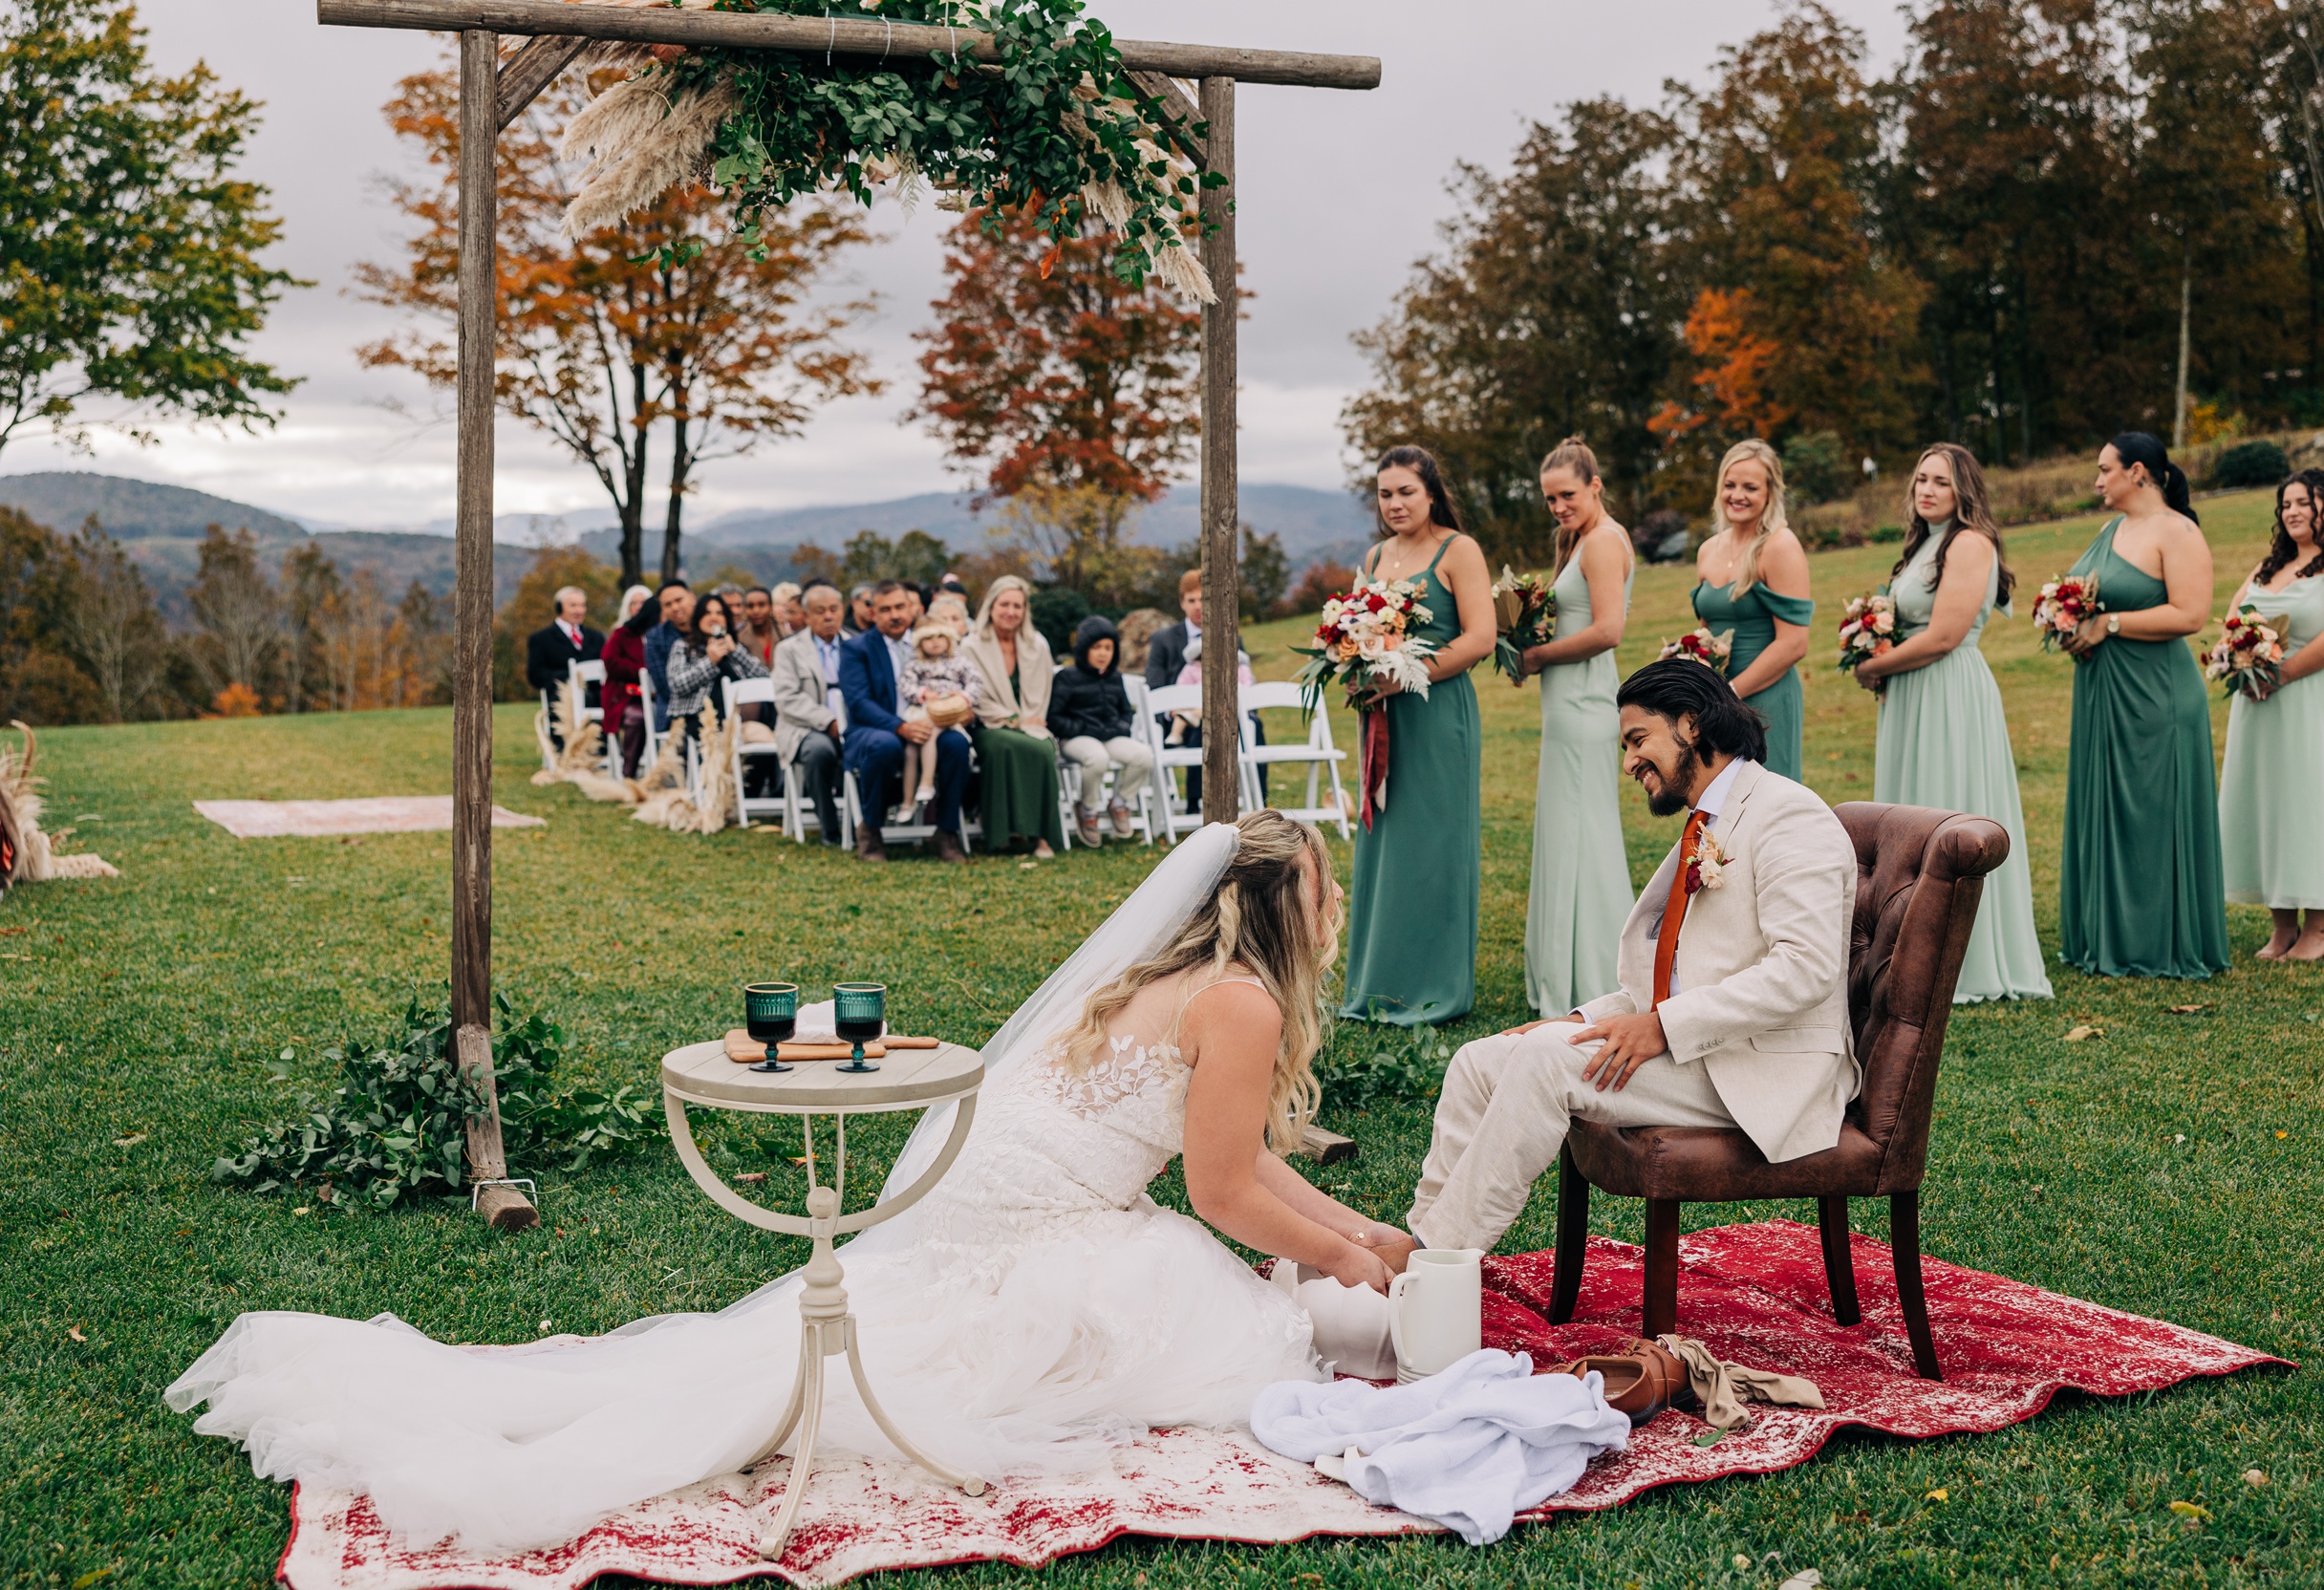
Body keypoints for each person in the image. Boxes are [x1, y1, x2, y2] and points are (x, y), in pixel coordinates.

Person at [169, 815, 1410, 1554]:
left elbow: (1242, 1166)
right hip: (1041, 1224)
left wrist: (1362, 1225)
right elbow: (1222, 1193)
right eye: (1325, 885)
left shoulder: (1160, 978)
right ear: (1282, 905)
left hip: (983, 1202)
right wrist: (1356, 1261)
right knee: (1214, 1331)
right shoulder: (1240, 1002)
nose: (1338, 900)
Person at [1401, 660, 1857, 1256]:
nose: (1627, 763)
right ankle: (1421, 1238)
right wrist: (1579, 1022)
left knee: (1543, 1063)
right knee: (1479, 1060)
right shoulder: (1713, 818)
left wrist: (1663, 1027)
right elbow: (1677, 972)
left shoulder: (1788, 816)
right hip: (1710, 1048)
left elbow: (1806, 969)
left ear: (1691, 725)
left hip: (1769, 1070)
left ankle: (1433, 1266)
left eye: (1638, 740)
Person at [1851, 444, 2052, 1001]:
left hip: (1948, 689)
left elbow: (1943, 636)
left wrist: (1872, 666)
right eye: (1920, 479)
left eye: (1941, 480)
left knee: (1946, 803)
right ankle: (1906, 950)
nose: (1927, 489)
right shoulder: (1923, 545)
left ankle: (1967, 958)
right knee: (1911, 810)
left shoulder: (1969, 542)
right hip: (1913, 691)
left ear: (1965, 490)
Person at [2057, 432, 2228, 979]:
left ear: (2137, 472)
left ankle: (2159, 940)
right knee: (2109, 806)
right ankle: (2106, 935)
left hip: (2157, 694)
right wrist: (2066, 622)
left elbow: (2191, 615)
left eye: (2104, 470)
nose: (2097, 480)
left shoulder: (2177, 531)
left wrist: (2109, 623)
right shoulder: (2112, 529)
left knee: (2153, 811)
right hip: (2103, 693)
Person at [1339, 444, 1494, 1026]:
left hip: (1436, 713)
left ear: (1431, 492)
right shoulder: (1377, 554)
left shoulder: (1459, 550)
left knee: (1434, 846)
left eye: (1407, 491)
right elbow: (1359, 633)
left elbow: (1479, 638)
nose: (1396, 503)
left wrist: (1402, 680)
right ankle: (1380, 981)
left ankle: (1435, 987)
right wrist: (1354, 670)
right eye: (1385, 494)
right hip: (1383, 718)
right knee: (1387, 848)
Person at [2216, 468, 2324, 960]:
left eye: (2304, 502)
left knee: (2312, 802)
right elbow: (2234, 620)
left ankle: (2318, 928)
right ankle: (2281, 924)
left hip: (2317, 703)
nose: (2292, 510)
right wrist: (2239, 658)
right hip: (2261, 708)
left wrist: (2284, 674)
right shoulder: (2269, 567)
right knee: (2270, 804)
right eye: (2286, 503)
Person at [1517, 437, 1637, 1019]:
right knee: (1568, 835)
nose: (1557, 506)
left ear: (1594, 485)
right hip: (1566, 708)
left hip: (1586, 706)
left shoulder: (1603, 544)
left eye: (1566, 495)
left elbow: (1609, 630)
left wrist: (1539, 657)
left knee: (1585, 837)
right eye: (1548, 499)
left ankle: (1592, 973)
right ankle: (1563, 970)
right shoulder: (1583, 541)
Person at [1689, 439, 1814, 783]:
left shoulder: (1780, 546)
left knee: (1765, 803)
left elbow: (1794, 644)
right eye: (1730, 485)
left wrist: (1728, 694)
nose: (1737, 495)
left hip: (1766, 699)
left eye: (1750, 487)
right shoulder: (1708, 550)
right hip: (1716, 702)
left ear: (1770, 493)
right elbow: (1705, 635)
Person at [841, 580, 968, 863]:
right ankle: (871, 831)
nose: (895, 615)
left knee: (957, 744)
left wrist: (958, 708)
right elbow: (859, 703)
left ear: (912, 608)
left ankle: (946, 832)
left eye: (900, 607)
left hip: (931, 725)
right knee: (884, 745)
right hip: (875, 729)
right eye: (885, 609)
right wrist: (901, 727)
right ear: (873, 613)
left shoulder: (930, 641)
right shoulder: (856, 648)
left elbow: (956, 680)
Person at [961, 574, 1067, 858]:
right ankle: (1000, 834)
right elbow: (975, 697)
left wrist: (1029, 720)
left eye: (1017, 606)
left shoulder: (1037, 644)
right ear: (991, 606)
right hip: (988, 725)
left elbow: (1044, 689)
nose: (1011, 612)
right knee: (1002, 746)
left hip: (1033, 721)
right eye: (1004, 604)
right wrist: (1014, 720)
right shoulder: (971, 646)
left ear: (1025, 610)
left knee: (1043, 749)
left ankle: (1043, 837)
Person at [1051, 615, 1156, 846]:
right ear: (1084, 649)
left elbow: (1125, 712)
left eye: (1108, 648)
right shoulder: (1066, 677)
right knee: (1097, 758)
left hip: (1109, 736)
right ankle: (1087, 808)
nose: (1102, 653)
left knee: (1144, 756)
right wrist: (1082, 727)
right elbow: (1055, 718)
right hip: (1075, 739)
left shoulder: (1114, 677)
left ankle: (1120, 802)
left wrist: (1119, 727)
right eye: (1096, 647)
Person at [771, 581, 848, 845]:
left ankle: (866, 823)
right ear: (806, 615)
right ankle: (830, 828)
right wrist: (828, 721)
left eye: (833, 609)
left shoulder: (855, 645)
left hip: (853, 725)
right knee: (820, 751)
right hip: (804, 728)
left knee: (875, 747)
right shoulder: (789, 650)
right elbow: (788, 699)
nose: (828, 616)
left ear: (842, 611)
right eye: (820, 611)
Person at [893, 621, 983, 827]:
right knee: (911, 749)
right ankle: (908, 801)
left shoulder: (958, 662)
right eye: (928, 638)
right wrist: (922, 694)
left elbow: (976, 681)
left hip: (948, 712)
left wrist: (962, 696)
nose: (935, 643)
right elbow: (905, 684)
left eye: (940, 637)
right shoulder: (916, 664)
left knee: (930, 732)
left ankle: (926, 782)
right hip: (924, 709)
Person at [666, 591, 765, 745]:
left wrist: (735, 652)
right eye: (707, 613)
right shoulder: (684, 647)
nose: (714, 617)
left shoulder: (734, 648)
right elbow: (677, 684)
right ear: (698, 618)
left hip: (739, 717)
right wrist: (710, 662)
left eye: (719, 613)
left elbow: (764, 677)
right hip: (699, 717)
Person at [1145, 569, 1208, 808]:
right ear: (1182, 603)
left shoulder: (1231, 634)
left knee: (1255, 727)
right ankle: (1197, 801)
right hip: (1177, 718)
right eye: (1192, 600)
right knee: (1200, 729)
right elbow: (1155, 681)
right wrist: (1171, 709)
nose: (1198, 606)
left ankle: (1262, 803)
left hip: (1221, 714)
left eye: (1204, 599)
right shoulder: (1164, 639)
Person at [526, 585, 605, 749]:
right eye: (573, 605)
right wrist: (567, 680)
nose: (579, 610)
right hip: (561, 698)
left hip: (596, 695)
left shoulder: (596, 638)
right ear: (560, 607)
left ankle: (604, 750)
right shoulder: (541, 639)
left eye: (582, 605)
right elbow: (535, 674)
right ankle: (566, 752)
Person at [599, 585, 653, 777]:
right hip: (626, 695)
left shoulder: (658, 633)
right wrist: (642, 672)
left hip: (657, 695)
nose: (638, 607)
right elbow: (610, 663)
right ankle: (629, 771)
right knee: (638, 718)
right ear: (627, 607)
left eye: (643, 603)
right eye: (634, 603)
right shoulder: (621, 634)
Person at [641, 580, 694, 726]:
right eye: (668, 604)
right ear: (662, 609)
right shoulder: (655, 637)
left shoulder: (706, 628)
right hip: (673, 711)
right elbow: (663, 685)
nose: (675, 607)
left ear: (692, 598)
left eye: (679, 600)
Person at [737, 586, 783, 665]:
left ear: (771, 608)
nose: (756, 611)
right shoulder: (739, 640)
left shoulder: (784, 635)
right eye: (750, 606)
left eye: (761, 605)